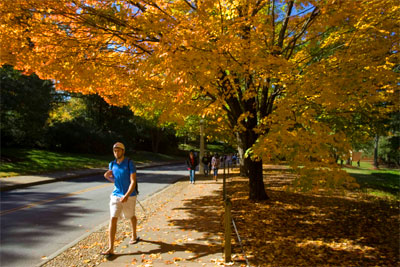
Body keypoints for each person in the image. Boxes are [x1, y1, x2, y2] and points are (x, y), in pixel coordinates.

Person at [101, 142, 139, 256]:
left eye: (118, 150)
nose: (116, 152)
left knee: (130, 216)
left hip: (130, 196)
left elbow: (133, 181)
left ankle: (134, 234)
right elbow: (116, 181)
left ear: (123, 151)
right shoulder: (111, 164)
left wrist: (127, 195)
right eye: (114, 151)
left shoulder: (129, 163)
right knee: (113, 218)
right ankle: (111, 248)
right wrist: (108, 177)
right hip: (116, 195)